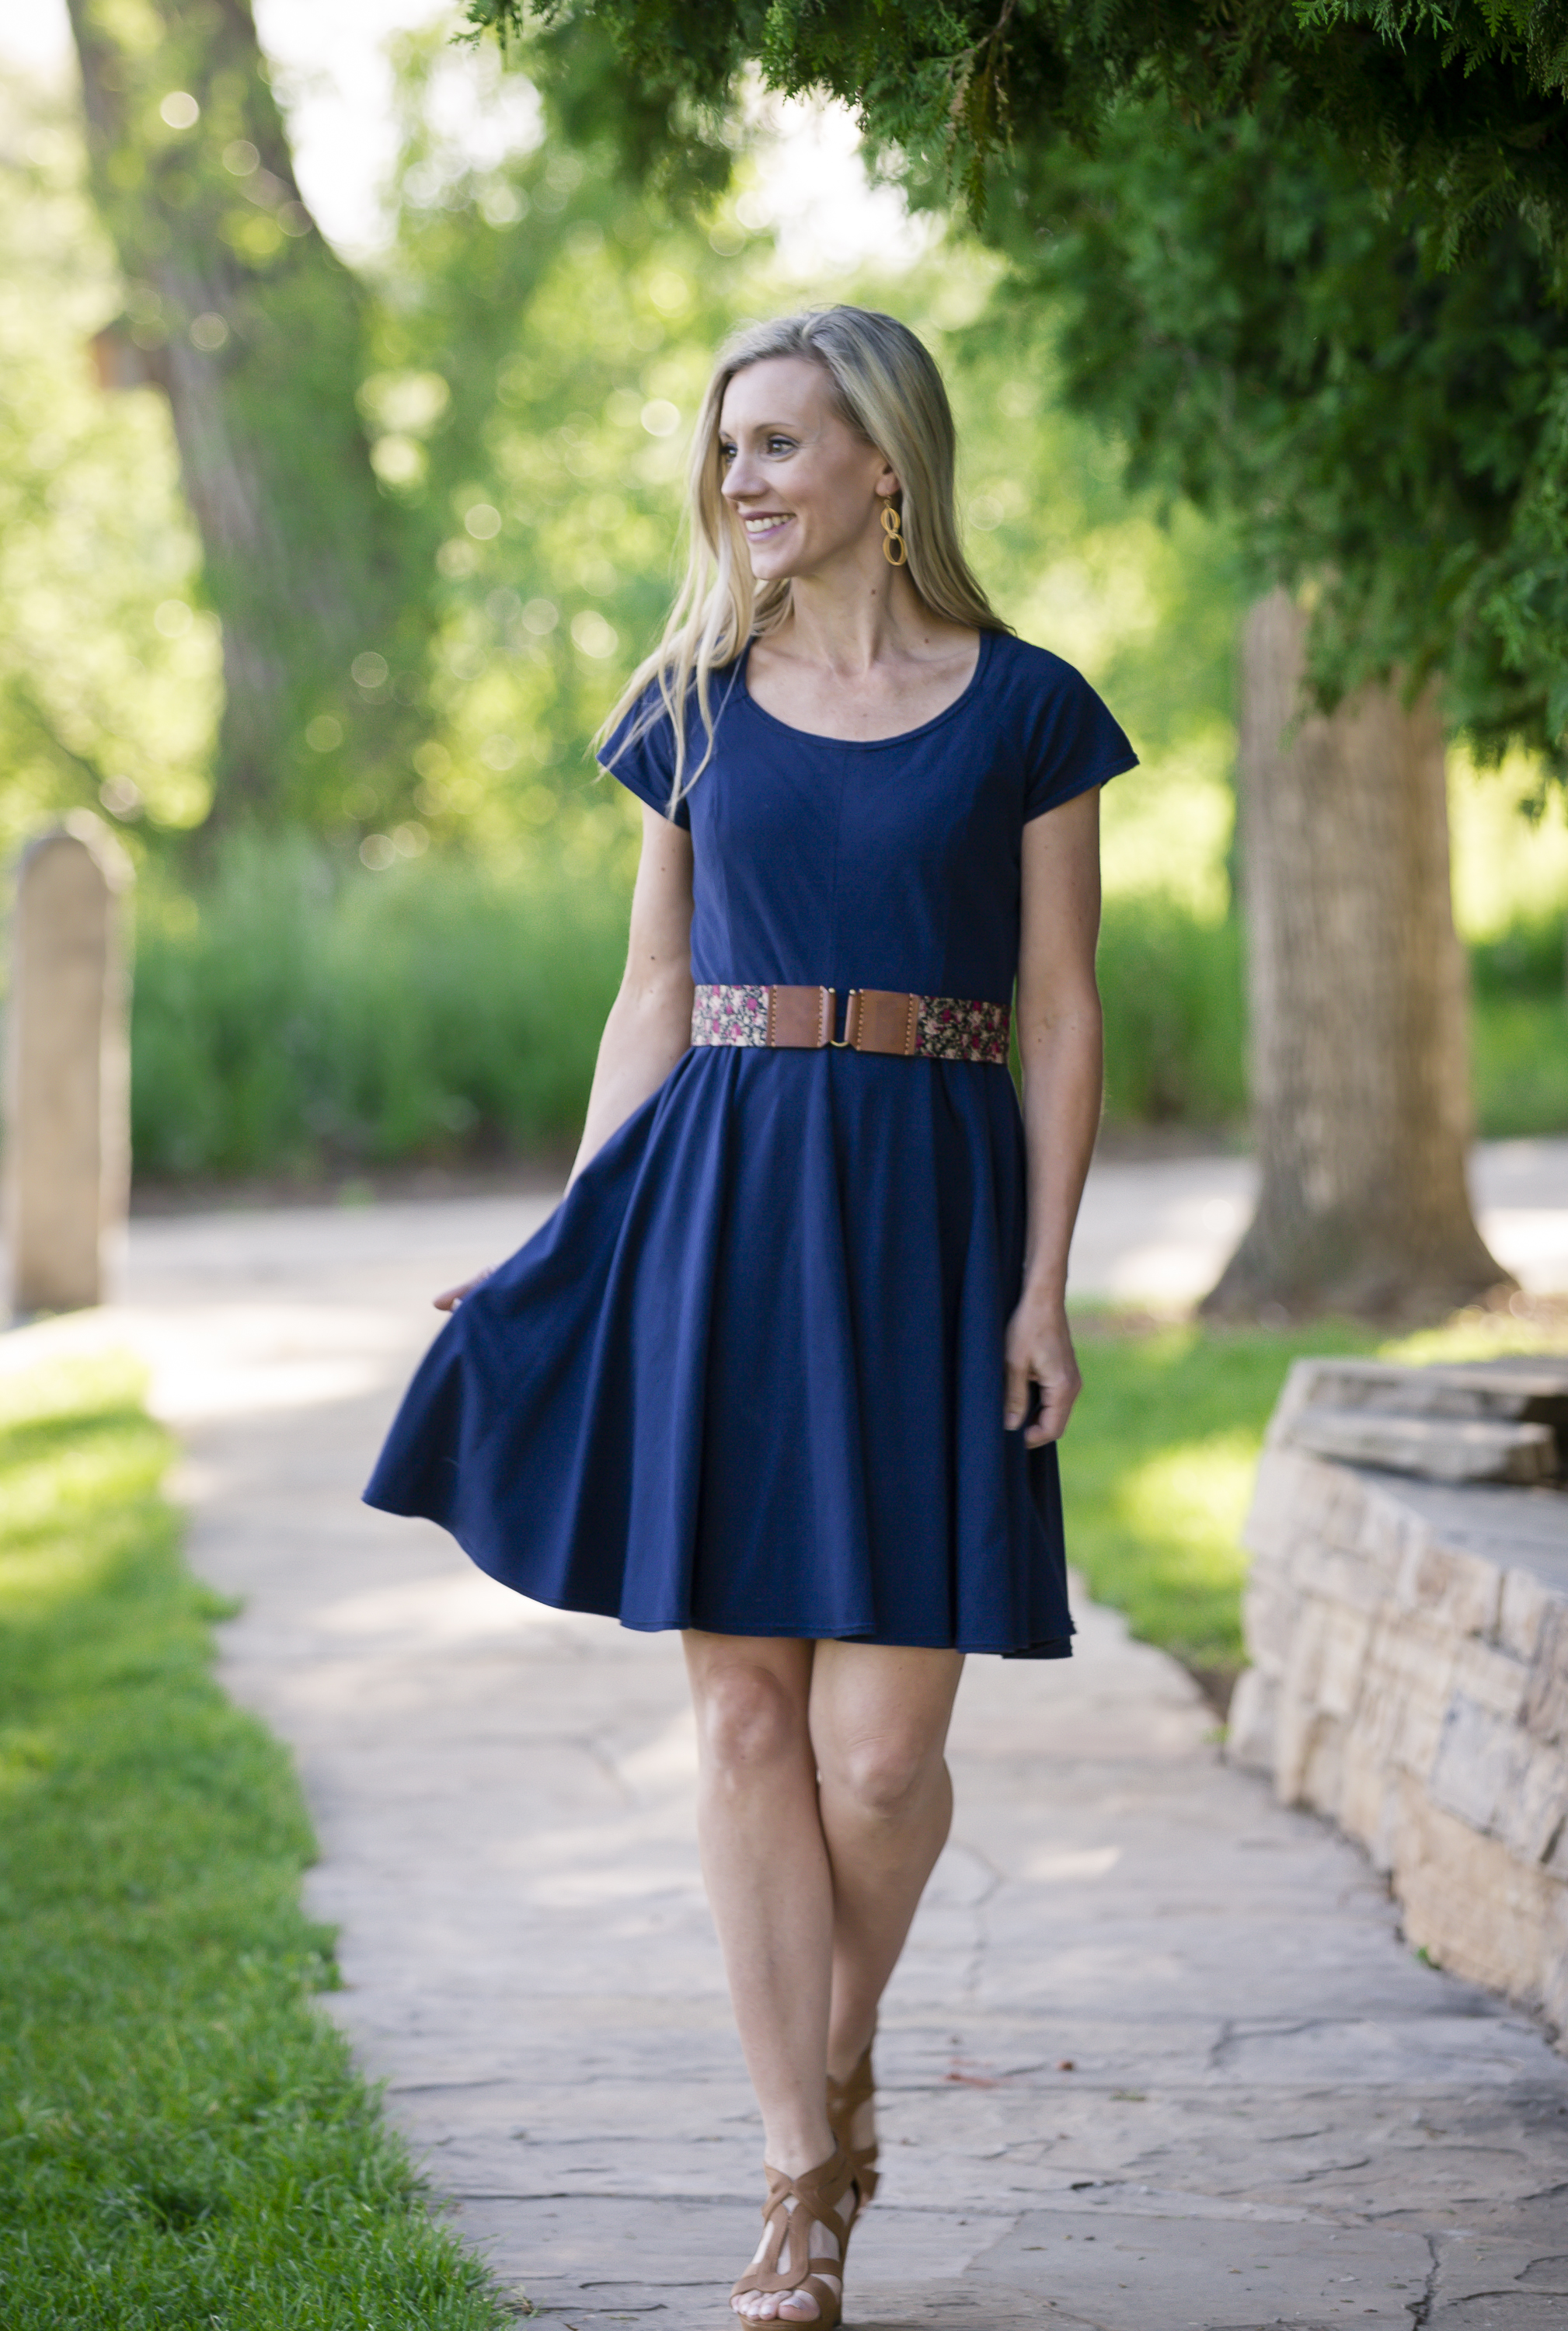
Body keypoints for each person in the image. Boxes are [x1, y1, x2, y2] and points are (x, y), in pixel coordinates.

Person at [364, 304, 1135, 2326]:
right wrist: (578, 1235)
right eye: (727, 450)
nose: (741, 481)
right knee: (741, 1718)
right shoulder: (690, 707)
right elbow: (652, 987)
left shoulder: (1030, 708)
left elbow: (1061, 1013)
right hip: (722, 1205)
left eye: (778, 443)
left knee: (878, 1762)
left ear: (885, 461)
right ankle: (798, 2171)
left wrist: (1045, 1281)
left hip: (933, 1222)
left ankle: (836, 2049)